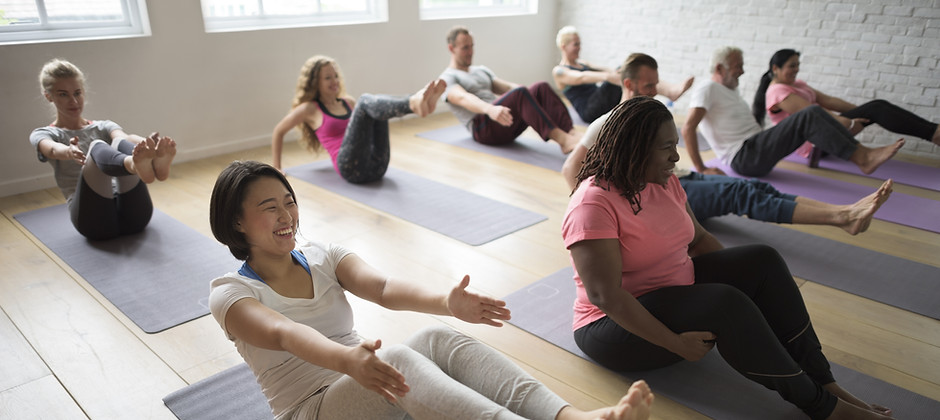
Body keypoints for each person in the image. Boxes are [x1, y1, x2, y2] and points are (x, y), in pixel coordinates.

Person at [207, 160, 655, 420]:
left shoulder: (322, 255)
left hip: (366, 378)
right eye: (270, 208)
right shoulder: (230, 295)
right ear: (236, 223)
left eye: (289, 202)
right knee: (398, 358)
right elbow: (284, 334)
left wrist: (447, 302)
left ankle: (572, 419)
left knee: (437, 336)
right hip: (315, 408)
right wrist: (348, 359)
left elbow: (380, 287)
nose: (287, 215)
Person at [563, 96, 894, 420]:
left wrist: (746, 287)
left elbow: (700, 239)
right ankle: (824, 407)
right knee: (725, 302)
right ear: (634, 148)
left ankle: (825, 381)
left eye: (675, 144)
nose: (675, 157)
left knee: (761, 260)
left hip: (673, 295)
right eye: (666, 147)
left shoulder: (665, 183)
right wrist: (677, 344)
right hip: (613, 328)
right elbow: (606, 296)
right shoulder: (593, 203)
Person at [561, 53, 893, 236]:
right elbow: (571, 170)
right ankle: (842, 217)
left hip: (679, 180)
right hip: (661, 194)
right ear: (629, 83)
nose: (654, 90)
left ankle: (843, 212)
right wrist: (614, 214)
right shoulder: (609, 122)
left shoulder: (644, 112)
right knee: (742, 194)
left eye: (656, 85)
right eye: (649, 85)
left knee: (754, 186)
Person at [681, 46, 904, 177]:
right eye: (737, 66)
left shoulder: (729, 91)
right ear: (720, 68)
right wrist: (701, 168)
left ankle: (859, 153)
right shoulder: (707, 88)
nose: (742, 70)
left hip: (756, 148)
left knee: (811, 114)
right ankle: (863, 157)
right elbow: (689, 127)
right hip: (744, 157)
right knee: (808, 114)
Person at [28, 58, 177, 240]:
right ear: (49, 96)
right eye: (63, 94)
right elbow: (51, 149)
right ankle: (134, 164)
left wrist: (150, 145)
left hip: (136, 217)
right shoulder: (44, 133)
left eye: (77, 93)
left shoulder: (103, 126)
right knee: (97, 146)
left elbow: (123, 138)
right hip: (94, 221)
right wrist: (69, 151)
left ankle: (151, 162)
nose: (73, 101)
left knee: (122, 141)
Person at [271, 55, 446, 183]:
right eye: (327, 78)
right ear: (315, 83)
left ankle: (416, 102)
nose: (334, 81)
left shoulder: (347, 102)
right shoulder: (309, 109)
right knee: (365, 101)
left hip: (377, 166)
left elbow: (364, 132)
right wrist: (277, 168)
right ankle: (413, 102)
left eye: (336, 76)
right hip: (351, 168)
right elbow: (279, 131)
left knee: (375, 108)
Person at [752, 48, 940, 157]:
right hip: (812, 143)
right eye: (792, 66)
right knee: (876, 108)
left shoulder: (796, 84)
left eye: (798, 65)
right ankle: (934, 133)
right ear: (775, 68)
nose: (796, 70)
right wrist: (847, 122)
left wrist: (861, 111)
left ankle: (934, 132)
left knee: (877, 107)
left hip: (825, 129)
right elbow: (811, 114)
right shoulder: (777, 92)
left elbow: (829, 101)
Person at [440, 26, 581, 153]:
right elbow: (463, 98)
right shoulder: (448, 78)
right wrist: (490, 109)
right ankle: (563, 140)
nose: (471, 52)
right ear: (451, 48)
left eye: (472, 46)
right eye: (465, 48)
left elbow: (508, 88)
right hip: (483, 128)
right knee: (520, 94)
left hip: (503, 118)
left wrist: (530, 97)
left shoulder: (480, 70)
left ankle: (572, 134)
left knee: (540, 87)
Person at [552, 26, 694, 124]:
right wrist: (609, 77)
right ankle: (669, 92)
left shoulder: (582, 63)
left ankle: (668, 91)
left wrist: (620, 72)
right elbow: (581, 77)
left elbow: (607, 70)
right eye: (575, 44)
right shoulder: (559, 71)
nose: (579, 47)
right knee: (623, 74)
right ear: (564, 46)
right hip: (589, 111)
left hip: (600, 101)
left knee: (626, 70)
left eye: (579, 43)